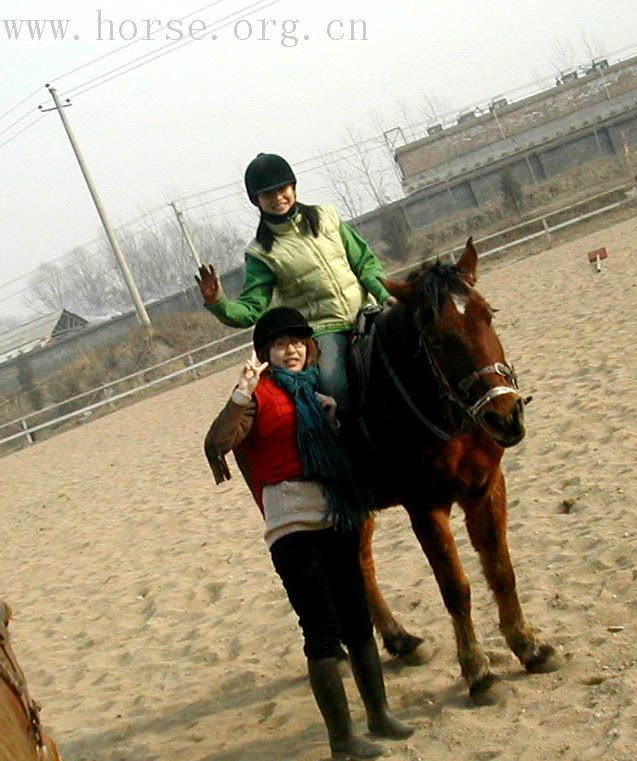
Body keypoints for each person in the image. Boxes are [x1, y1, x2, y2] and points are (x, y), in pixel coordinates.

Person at [204, 306, 413, 760]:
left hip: (336, 514)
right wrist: (240, 393)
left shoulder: (316, 391)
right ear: (265, 353)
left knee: (357, 618)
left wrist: (331, 416)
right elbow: (218, 442)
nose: (292, 349)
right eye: (281, 344)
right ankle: (342, 738)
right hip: (292, 526)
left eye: (297, 341)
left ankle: (379, 715)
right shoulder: (256, 396)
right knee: (321, 630)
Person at [196, 152, 395, 411]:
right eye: (268, 195)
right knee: (334, 386)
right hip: (324, 330)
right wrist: (218, 302)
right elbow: (251, 310)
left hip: (367, 311)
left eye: (282, 190)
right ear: (257, 200)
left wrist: (384, 295)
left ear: (293, 187)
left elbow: (365, 262)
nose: (278, 198)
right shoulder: (261, 253)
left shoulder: (327, 217)